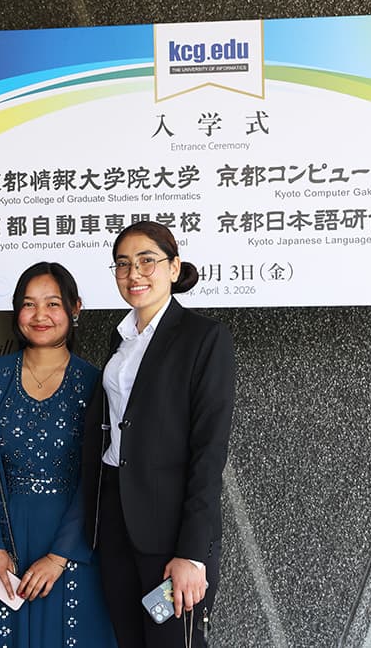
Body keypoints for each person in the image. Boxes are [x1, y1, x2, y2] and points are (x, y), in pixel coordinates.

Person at [82, 221, 236, 648]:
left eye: (148, 260)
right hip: (115, 519)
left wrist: (192, 552)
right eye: (123, 264)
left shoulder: (203, 338)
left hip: (169, 529)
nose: (135, 274)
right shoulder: (120, 338)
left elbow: (209, 451)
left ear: (174, 267)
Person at [0, 262, 117, 648]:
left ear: (74, 308)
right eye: (29, 305)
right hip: (3, 540)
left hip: (74, 540)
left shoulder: (96, 382)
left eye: (53, 304)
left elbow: (96, 477)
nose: (40, 315)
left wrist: (60, 556)